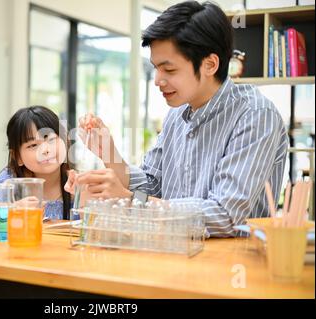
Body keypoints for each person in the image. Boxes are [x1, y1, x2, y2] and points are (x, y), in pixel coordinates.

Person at [65, 1, 288, 237]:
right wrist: (110, 155)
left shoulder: (255, 115)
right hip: (173, 253)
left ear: (210, 64)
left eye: (169, 70)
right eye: (156, 68)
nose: (157, 80)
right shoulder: (177, 113)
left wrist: (131, 200)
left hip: (229, 263)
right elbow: (153, 185)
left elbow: (224, 215)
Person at [0, 106, 72, 220]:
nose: (45, 150)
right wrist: (12, 207)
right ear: (18, 157)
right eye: (33, 145)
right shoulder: (12, 180)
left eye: (51, 139)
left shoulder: (76, 182)